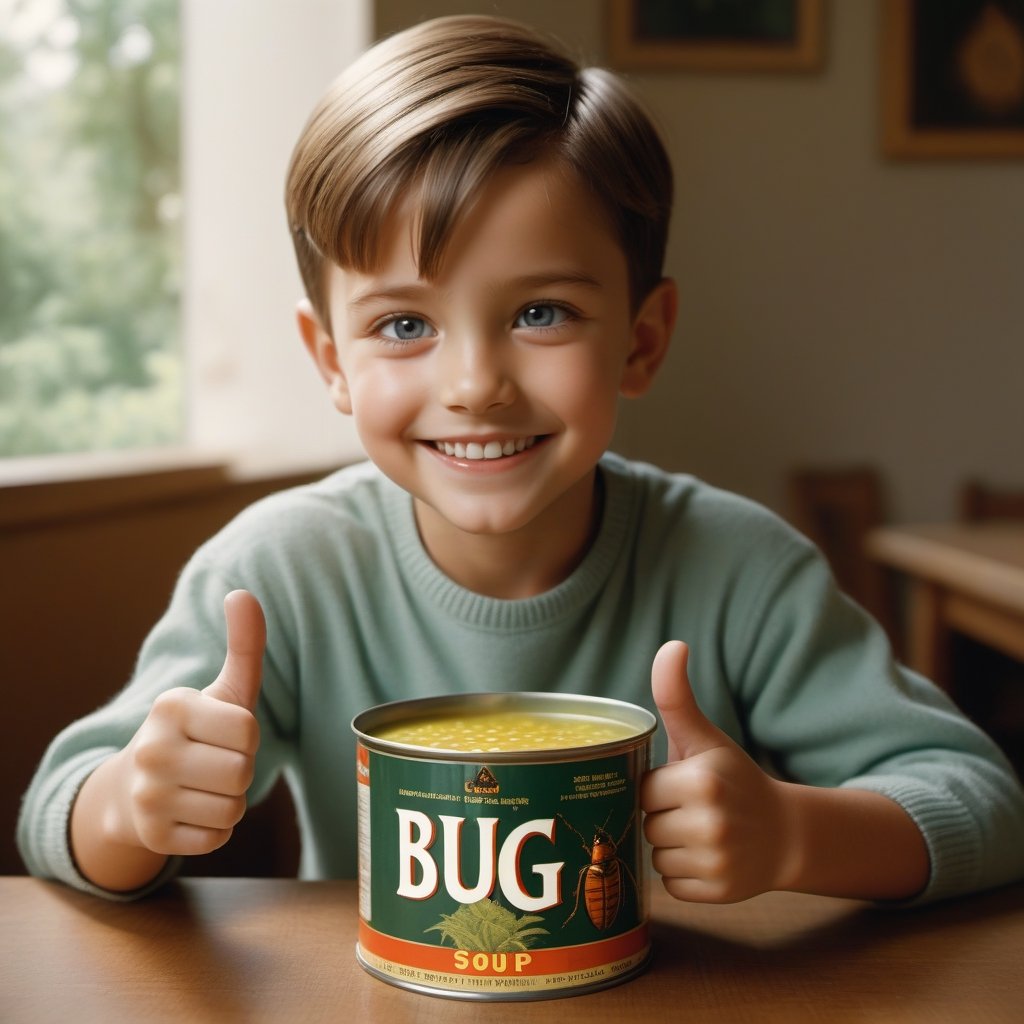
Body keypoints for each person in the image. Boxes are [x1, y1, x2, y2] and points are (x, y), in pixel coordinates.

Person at [18, 15, 1024, 905]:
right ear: (330, 359)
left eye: (539, 312)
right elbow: (57, 813)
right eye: (404, 322)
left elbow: (983, 801)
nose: (474, 383)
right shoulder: (275, 573)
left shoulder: (741, 570)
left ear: (640, 338)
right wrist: (134, 808)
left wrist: (797, 833)